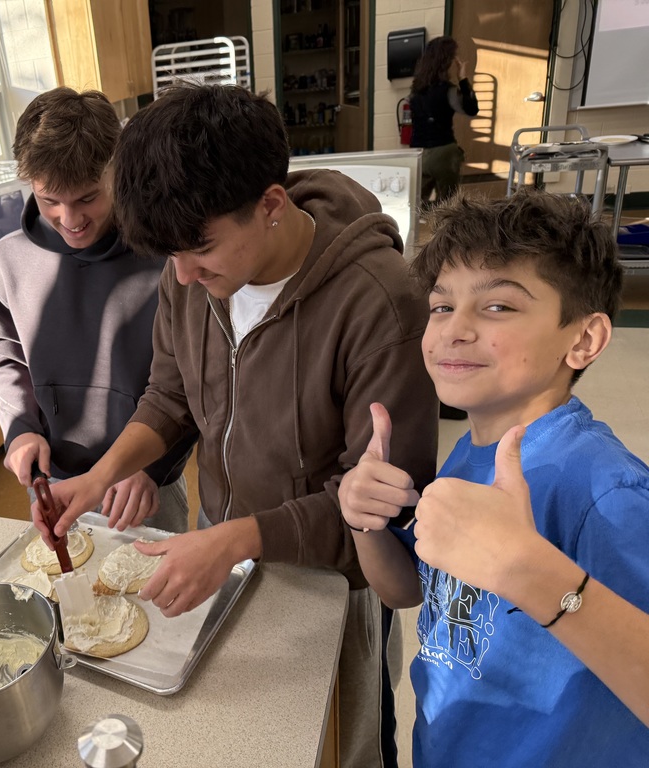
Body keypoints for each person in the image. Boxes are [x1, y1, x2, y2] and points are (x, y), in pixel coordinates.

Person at [37, 84, 439, 768]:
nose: (185, 277)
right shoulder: (187, 272)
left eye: (200, 251)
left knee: (345, 745)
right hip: (225, 562)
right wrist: (100, 474)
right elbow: (171, 396)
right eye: (169, 257)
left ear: (271, 205)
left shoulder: (379, 303)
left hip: (328, 588)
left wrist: (239, 538)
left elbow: (381, 509)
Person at [338, 190, 649, 765]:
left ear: (584, 339)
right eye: (440, 306)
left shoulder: (606, 490)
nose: (454, 330)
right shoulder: (470, 457)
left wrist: (530, 571)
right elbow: (409, 591)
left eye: (498, 307)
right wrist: (364, 520)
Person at [0, 87, 194, 532]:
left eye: (87, 197)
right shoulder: (7, 263)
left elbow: (193, 379)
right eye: (50, 200)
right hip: (53, 481)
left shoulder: (168, 256)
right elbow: (5, 357)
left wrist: (152, 466)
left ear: (116, 172)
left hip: (145, 484)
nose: (70, 218)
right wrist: (20, 429)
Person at [409, 36, 479, 207]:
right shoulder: (449, 91)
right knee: (449, 205)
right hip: (444, 153)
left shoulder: (415, 92)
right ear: (446, 62)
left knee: (415, 205)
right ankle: (443, 232)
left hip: (419, 154)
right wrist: (462, 79)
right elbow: (471, 109)